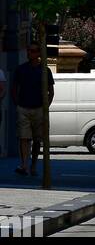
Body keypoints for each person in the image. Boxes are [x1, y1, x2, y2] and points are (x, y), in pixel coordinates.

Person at [11, 42, 54, 176]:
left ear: (39, 53)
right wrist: (17, 103)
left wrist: (46, 106)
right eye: (29, 51)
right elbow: (14, 88)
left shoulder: (45, 70)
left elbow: (50, 91)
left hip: (39, 108)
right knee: (24, 137)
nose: (30, 53)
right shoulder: (21, 69)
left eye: (33, 51)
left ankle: (33, 164)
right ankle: (24, 164)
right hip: (23, 108)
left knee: (37, 139)